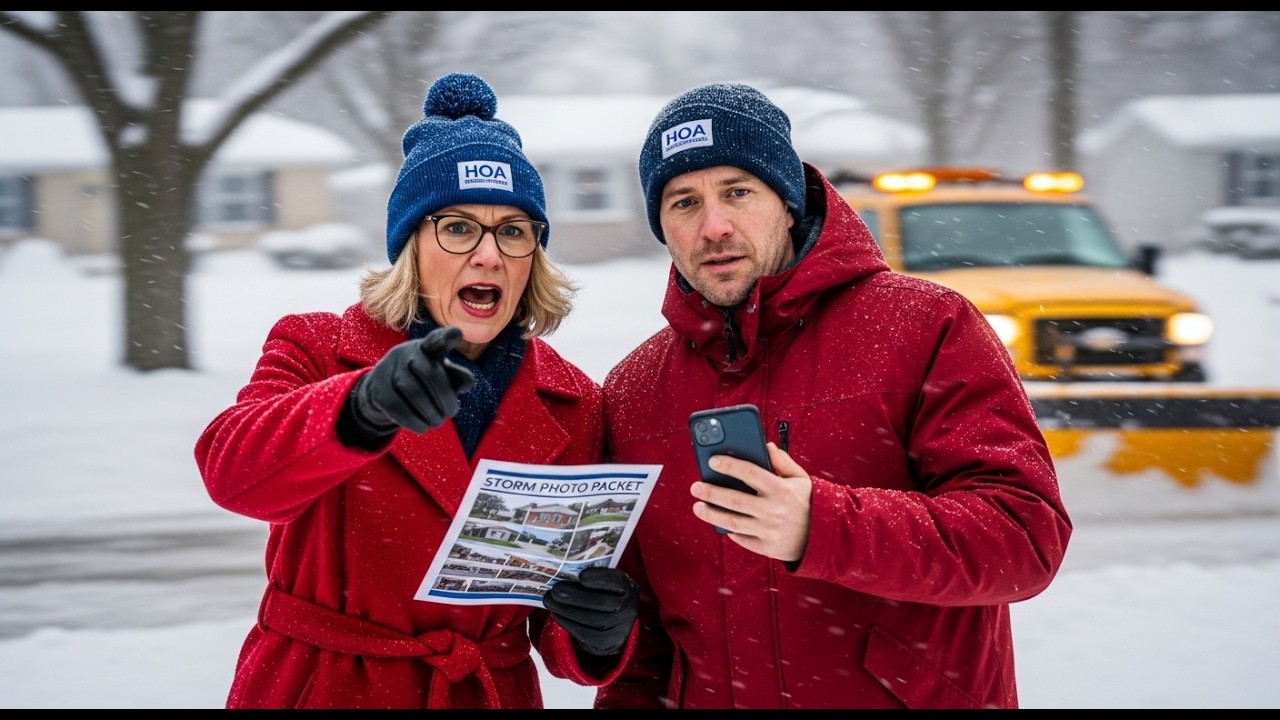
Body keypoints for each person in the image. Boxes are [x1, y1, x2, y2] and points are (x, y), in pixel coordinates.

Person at [593, 82, 1073, 709]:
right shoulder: (632, 391)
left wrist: (821, 525)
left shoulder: (924, 326)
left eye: (738, 191)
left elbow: (1023, 539)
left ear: (789, 202)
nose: (714, 226)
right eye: (683, 202)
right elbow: (646, 650)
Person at [194, 72, 638, 709]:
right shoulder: (317, 349)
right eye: (457, 227)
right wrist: (359, 407)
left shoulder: (573, 401)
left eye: (513, 230)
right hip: (324, 686)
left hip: (486, 690)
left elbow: (548, 610)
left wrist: (594, 632)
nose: (488, 255)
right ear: (410, 246)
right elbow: (233, 475)